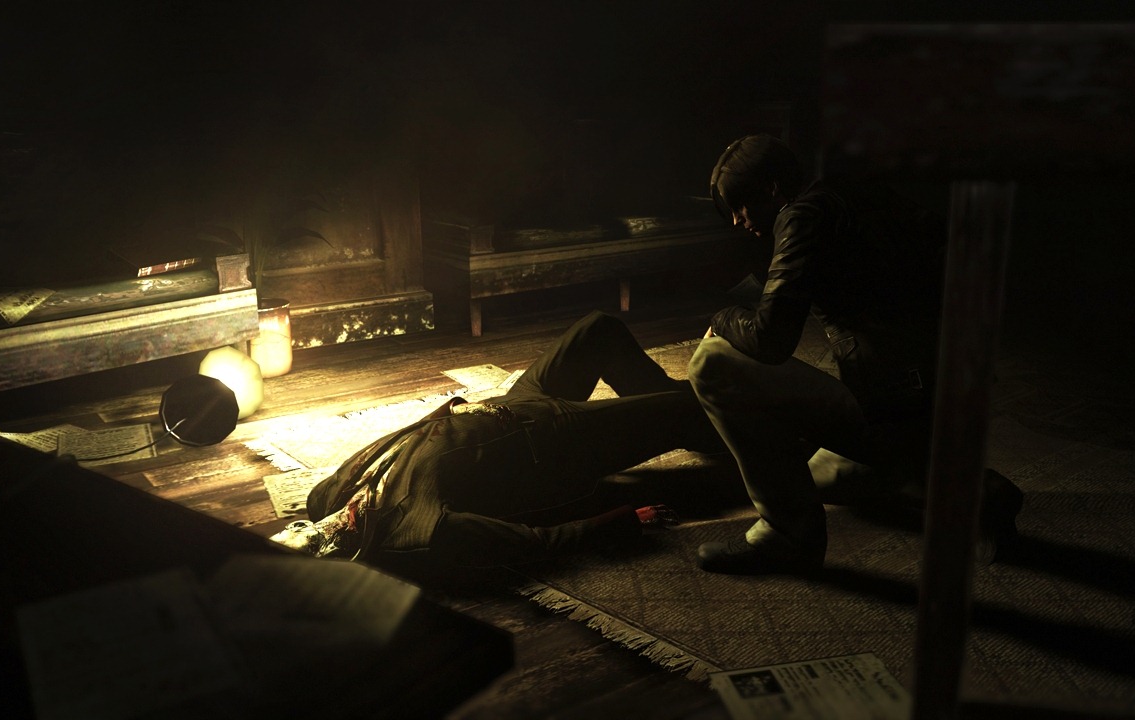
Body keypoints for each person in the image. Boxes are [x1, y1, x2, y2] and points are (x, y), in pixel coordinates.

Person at [689, 134, 1023, 575]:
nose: (737, 220)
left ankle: (788, 536)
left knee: (711, 362)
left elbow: (771, 340)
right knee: (818, 476)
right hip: (950, 389)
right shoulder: (857, 190)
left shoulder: (801, 216)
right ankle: (948, 483)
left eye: (740, 206)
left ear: (771, 188)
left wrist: (724, 316)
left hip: (892, 403)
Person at [269, 310, 724, 568]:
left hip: (512, 403)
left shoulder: (326, 496)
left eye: (294, 530)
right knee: (692, 404)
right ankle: (726, 429)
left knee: (599, 328)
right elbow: (532, 543)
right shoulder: (417, 532)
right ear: (334, 556)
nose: (306, 528)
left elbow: (403, 440)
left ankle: (681, 415)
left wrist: (454, 409)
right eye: (312, 541)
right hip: (557, 439)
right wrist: (622, 522)